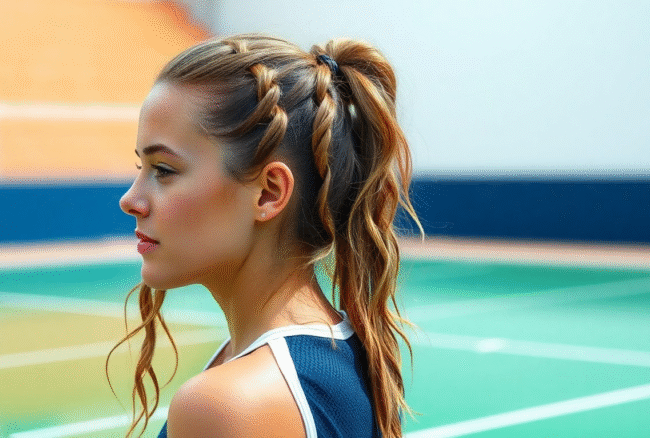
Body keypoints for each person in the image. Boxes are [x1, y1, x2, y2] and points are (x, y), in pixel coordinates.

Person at [110, 33, 421, 438]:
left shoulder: (227, 407)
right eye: (140, 168)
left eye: (164, 170)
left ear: (269, 192)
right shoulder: (354, 355)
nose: (130, 200)